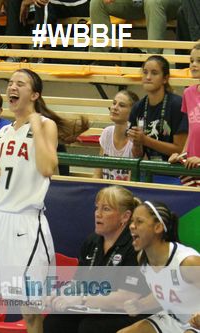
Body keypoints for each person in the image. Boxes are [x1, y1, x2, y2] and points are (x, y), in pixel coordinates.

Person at [0, 69, 87, 333]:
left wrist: (37, 124)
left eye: (20, 83)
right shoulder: (5, 131)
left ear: (35, 94)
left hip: (24, 223)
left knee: (30, 312)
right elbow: (1, 177)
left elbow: (49, 167)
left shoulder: (45, 126)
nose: (12, 87)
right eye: (10, 83)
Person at [43, 185, 149, 333]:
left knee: (91, 328)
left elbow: (127, 297)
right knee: (55, 322)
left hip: (131, 311)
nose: (97, 214)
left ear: (125, 217)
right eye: (97, 208)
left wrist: (82, 299)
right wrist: (60, 294)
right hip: (96, 307)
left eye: (106, 209)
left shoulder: (135, 245)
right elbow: (78, 282)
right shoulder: (92, 241)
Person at [118, 201, 200, 333]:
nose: (132, 226)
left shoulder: (187, 262)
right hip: (174, 319)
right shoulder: (143, 259)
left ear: (158, 227)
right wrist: (141, 304)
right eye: (132, 221)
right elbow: (167, 292)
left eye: (139, 221)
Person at [126, 55, 187, 184]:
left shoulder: (177, 104)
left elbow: (180, 150)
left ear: (165, 79)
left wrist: (146, 140)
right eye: (145, 72)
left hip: (176, 173)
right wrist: (137, 143)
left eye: (154, 73)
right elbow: (138, 155)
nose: (148, 77)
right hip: (150, 171)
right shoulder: (138, 107)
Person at [89, 0, 181, 53]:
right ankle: (101, 57)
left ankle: (153, 61)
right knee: (97, 2)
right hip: (136, 3)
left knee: (153, 2)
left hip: (166, 3)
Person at [169, 43, 200, 187]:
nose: (193, 65)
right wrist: (181, 155)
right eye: (191, 61)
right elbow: (191, 132)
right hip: (191, 167)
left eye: (199, 61)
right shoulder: (188, 93)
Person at [95, 90, 139, 181]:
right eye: (114, 103)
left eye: (121, 105)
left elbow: (132, 182)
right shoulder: (106, 133)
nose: (115, 107)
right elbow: (97, 174)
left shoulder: (135, 139)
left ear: (133, 112)